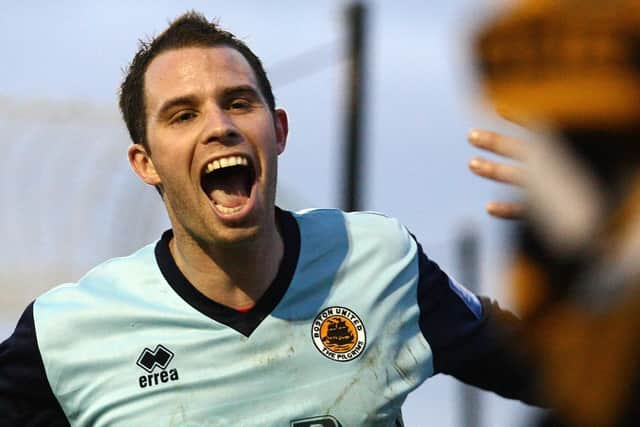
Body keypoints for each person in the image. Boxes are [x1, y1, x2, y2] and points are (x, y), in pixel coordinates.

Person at [0, 12, 539, 426]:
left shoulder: (381, 259)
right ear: (146, 163)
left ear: (277, 131)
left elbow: (570, 377)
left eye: (238, 103)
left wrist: (612, 223)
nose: (219, 127)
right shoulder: (68, 333)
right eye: (183, 115)